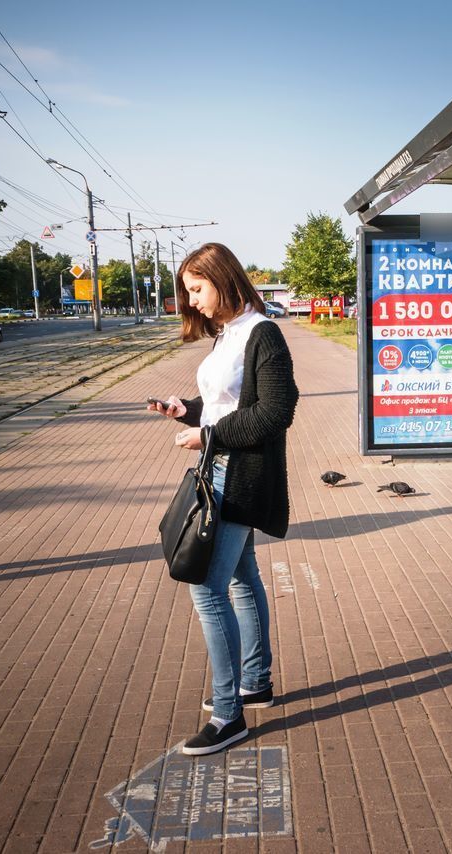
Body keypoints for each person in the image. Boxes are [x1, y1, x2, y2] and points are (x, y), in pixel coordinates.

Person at [148, 242, 298, 755]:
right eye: (187, 292)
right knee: (241, 577)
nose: (191, 301)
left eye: (196, 289)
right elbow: (223, 404)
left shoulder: (263, 333)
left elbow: (277, 411)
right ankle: (255, 682)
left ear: (223, 279)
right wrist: (185, 410)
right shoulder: (229, 335)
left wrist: (208, 436)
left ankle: (228, 715)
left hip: (241, 474)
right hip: (221, 466)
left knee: (205, 587)